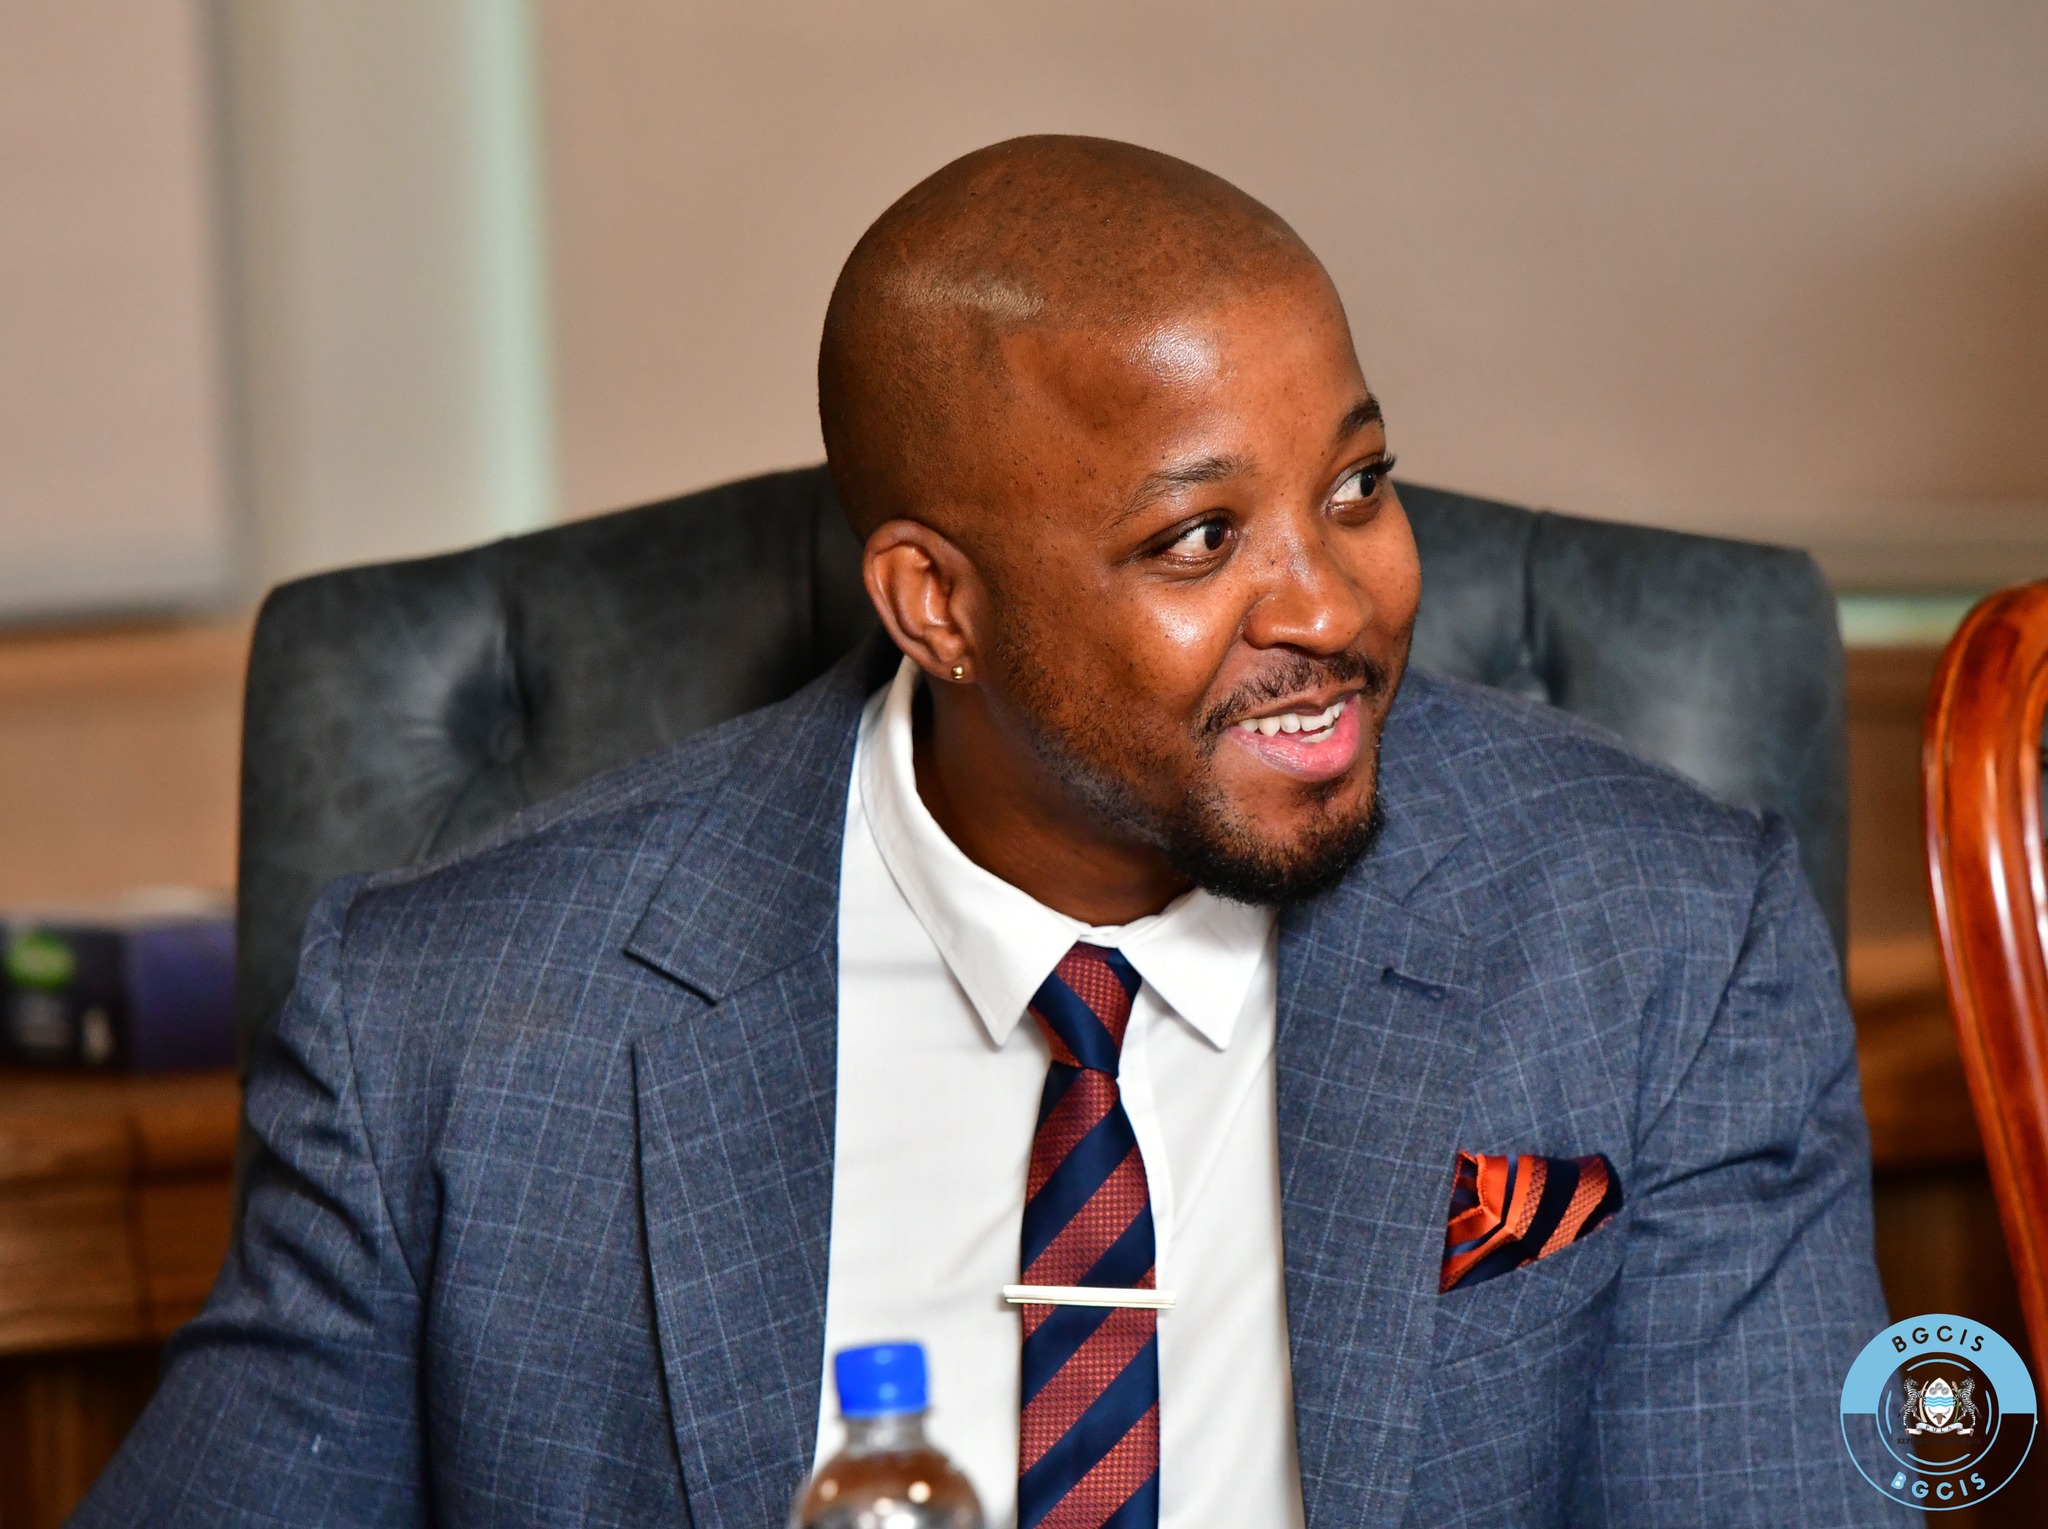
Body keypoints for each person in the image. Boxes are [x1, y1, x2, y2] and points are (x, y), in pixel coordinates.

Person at [77, 137, 1907, 1528]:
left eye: (1356, 485)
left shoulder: (1658, 936)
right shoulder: (450, 1022)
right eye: (1200, 540)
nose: (1338, 603)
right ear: (934, 606)